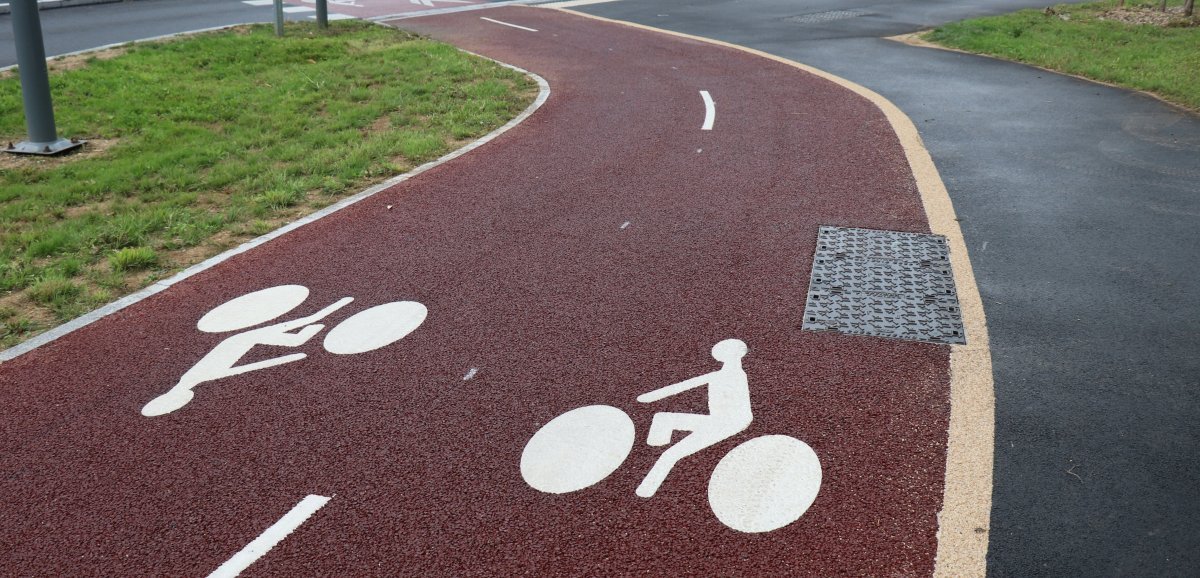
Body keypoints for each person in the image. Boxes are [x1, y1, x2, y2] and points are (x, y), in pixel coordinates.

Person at [140, 297, 353, 417]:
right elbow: (245, 366)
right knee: (304, 328)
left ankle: (340, 307)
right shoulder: (190, 379)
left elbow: (246, 367)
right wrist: (291, 357)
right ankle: (333, 312)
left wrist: (291, 357)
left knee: (304, 329)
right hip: (243, 341)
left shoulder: (197, 378)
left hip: (246, 340)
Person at [635, 338, 753, 498]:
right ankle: (653, 448)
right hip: (718, 420)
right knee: (662, 420)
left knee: (670, 454)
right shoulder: (718, 375)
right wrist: (650, 396)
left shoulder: (735, 375)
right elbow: (684, 385)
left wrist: (651, 397)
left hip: (730, 422)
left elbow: (688, 385)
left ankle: (646, 489)